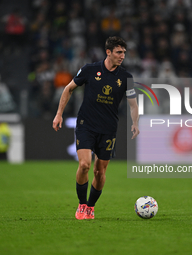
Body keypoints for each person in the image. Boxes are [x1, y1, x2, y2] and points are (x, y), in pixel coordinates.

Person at [53, 36, 140, 220]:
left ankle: (91, 207)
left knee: (100, 172)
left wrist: (135, 123)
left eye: (124, 52)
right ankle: (82, 204)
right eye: (118, 52)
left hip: (108, 129)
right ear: (108, 52)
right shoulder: (89, 69)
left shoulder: (126, 77)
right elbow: (69, 88)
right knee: (84, 164)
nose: (122, 56)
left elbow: (133, 104)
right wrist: (59, 113)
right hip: (86, 125)